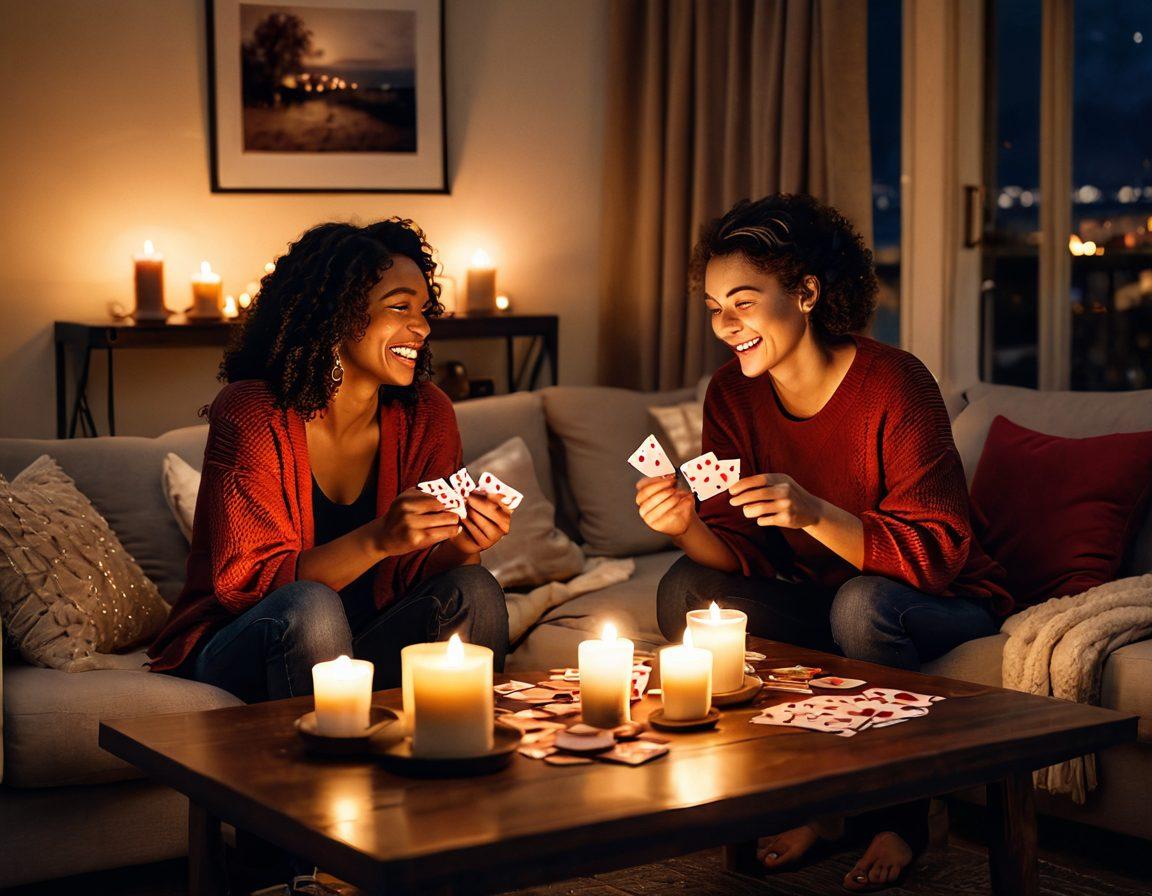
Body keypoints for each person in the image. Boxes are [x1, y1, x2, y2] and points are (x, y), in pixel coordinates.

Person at [638, 195, 1013, 891]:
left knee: (862, 606)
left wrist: (815, 514)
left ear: (807, 291)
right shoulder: (731, 395)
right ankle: (816, 805)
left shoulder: (896, 384)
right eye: (716, 306)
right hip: (823, 598)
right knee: (685, 590)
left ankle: (897, 819)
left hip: (939, 598)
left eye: (744, 302)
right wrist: (686, 526)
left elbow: (938, 554)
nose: (726, 325)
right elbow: (742, 551)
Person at [148, 219, 511, 701]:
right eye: (400, 307)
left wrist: (463, 543)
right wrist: (381, 537)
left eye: (423, 310)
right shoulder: (254, 413)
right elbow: (249, 586)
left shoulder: (428, 413)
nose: (421, 327)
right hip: (253, 638)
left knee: (475, 586)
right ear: (336, 316)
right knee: (312, 607)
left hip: (365, 640)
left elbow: (416, 574)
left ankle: (461, 760)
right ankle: (319, 772)